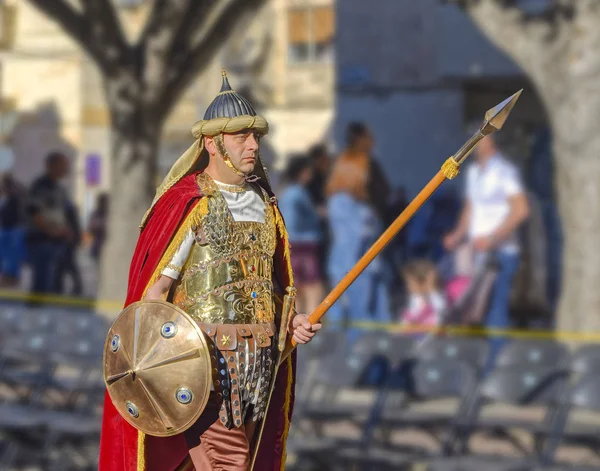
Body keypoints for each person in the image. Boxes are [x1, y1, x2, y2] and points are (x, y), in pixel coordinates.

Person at [99, 71, 322, 471]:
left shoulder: (265, 204)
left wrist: (293, 324)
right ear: (212, 143)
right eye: (241, 136)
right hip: (205, 371)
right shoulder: (191, 203)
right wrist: (166, 362)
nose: (253, 144)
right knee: (228, 464)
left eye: (255, 136)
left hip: (257, 370)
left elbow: (266, 288)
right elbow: (156, 294)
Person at [443, 132, 529, 369]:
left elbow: (521, 210)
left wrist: (493, 238)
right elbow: (471, 207)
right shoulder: (472, 172)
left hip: (500, 254)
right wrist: (458, 234)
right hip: (475, 254)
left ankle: (495, 367)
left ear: (489, 143)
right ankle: (474, 364)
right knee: (470, 310)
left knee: (495, 312)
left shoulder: (504, 171)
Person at [325, 130, 392, 335]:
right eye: (365, 171)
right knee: (360, 329)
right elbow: (354, 241)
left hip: (370, 271)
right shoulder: (342, 203)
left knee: (378, 325)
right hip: (353, 272)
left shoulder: (360, 204)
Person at [277, 155, 325, 316]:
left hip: (293, 245)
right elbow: (292, 220)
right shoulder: (296, 193)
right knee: (312, 286)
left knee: (297, 286)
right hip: (302, 245)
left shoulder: (288, 192)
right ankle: (311, 320)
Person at [25, 152, 73, 297]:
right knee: (43, 283)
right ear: (50, 166)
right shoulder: (41, 186)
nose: (65, 169)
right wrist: (52, 231)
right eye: (61, 165)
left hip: (57, 241)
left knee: (55, 283)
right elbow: (35, 213)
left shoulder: (59, 188)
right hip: (42, 240)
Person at [399, 259, 446, 329]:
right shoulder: (415, 297)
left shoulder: (435, 297)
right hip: (413, 332)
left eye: (410, 283)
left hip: (429, 331)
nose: (408, 286)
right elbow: (408, 317)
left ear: (422, 283)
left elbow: (441, 310)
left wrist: (430, 287)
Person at [0, 173, 26, 287]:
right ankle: (7, 276)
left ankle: (12, 278)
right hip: (6, 229)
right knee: (5, 255)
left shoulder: (15, 197)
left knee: (12, 256)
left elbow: (17, 214)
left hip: (13, 230)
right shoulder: (6, 198)